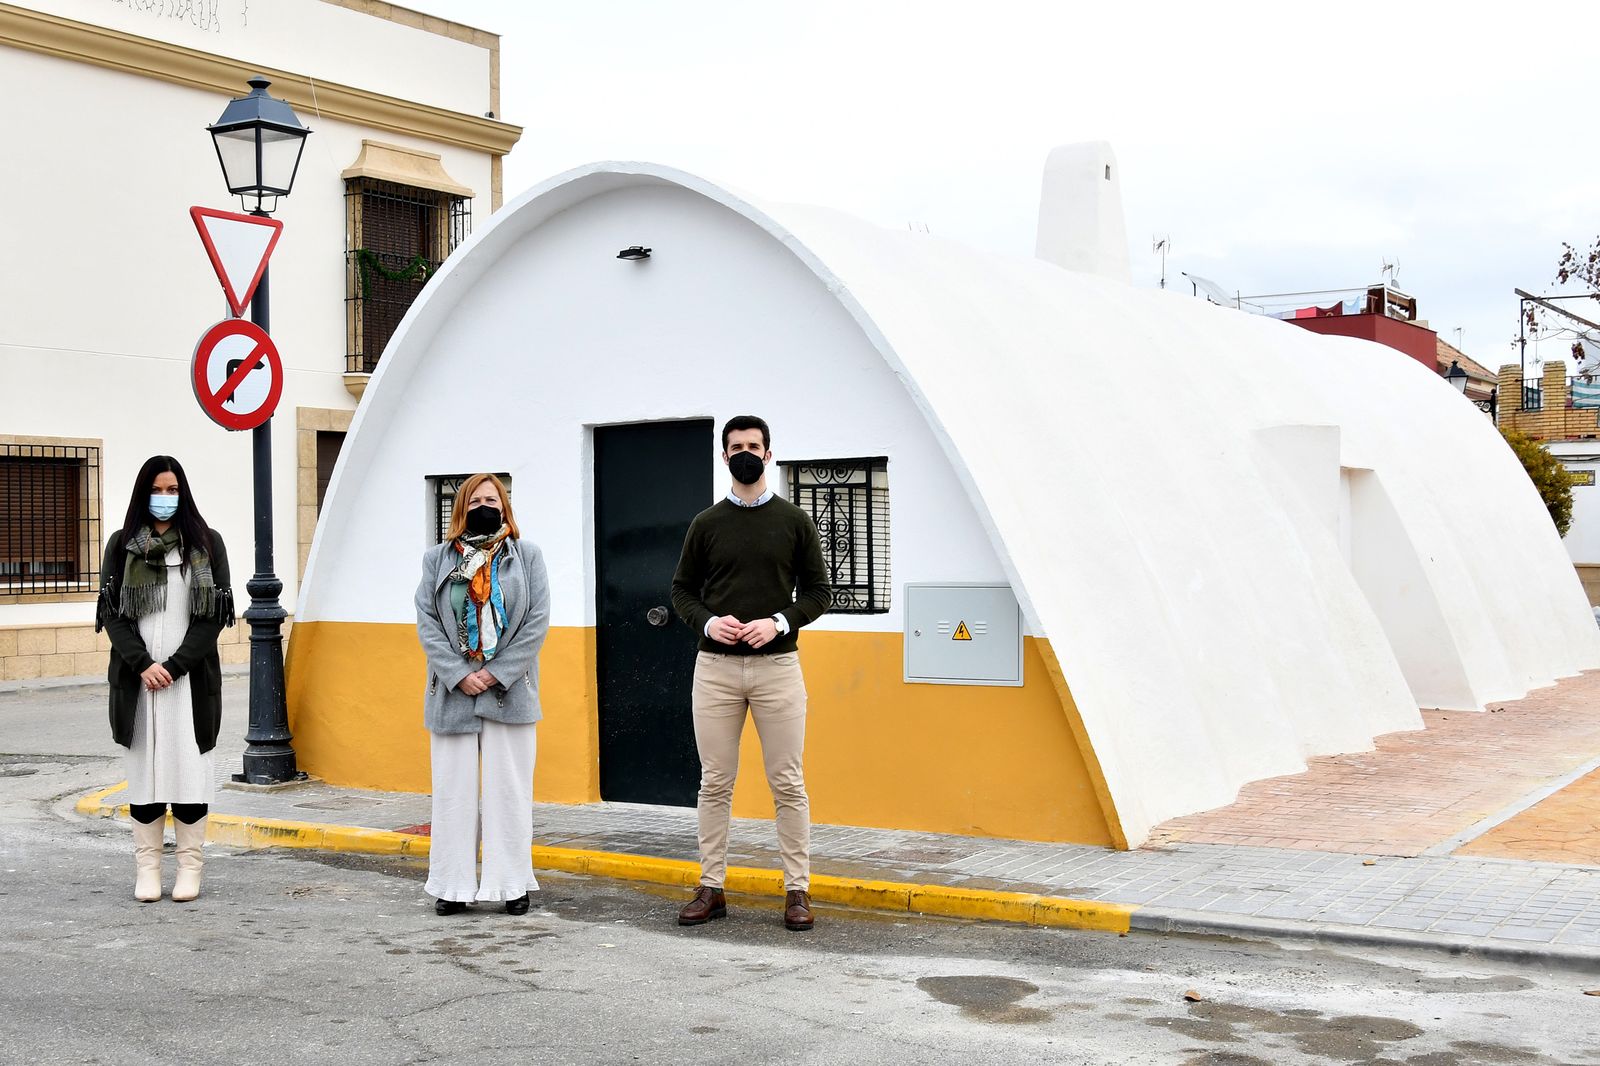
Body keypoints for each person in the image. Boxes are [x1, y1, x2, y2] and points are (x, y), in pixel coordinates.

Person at [670, 416, 831, 931]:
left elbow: (819, 592)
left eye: (753, 446)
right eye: (735, 446)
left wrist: (778, 622)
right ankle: (711, 888)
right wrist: (708, 622)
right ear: (724, 456)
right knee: (714, 782)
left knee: (788, 781)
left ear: (767, 454)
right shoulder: (706, 524)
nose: (744, 453)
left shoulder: (794, 521)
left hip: (778, 669)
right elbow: (682, 591)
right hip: (715, 669)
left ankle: (797, 891)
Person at [96, 456, 234, 903]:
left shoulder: (206, 544)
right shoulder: (121, 545)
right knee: (145, 777)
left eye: (173, 490)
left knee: (189, 774)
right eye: (157, 490)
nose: (165, 498)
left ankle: (190, 867)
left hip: (189, 682)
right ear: (143, 493)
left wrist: (173, 667)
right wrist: (143, 664)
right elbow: (112, 615)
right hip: (138, 683)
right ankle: (148, 869)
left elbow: (212, 618)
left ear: (183, 493)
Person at [414, 473, 550, 916]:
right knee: (452, 794)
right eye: (474, 501)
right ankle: (451, 886)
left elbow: (536, 622)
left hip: (510, 691)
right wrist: (458, 674)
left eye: (492, 499)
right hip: (451, 693)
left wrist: (495, 674)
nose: (484, 507)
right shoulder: (437, 559)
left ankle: (512, 884)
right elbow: (427, 623)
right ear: (460, 509)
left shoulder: (527, 557)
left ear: (505, 506)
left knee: (509, 791)